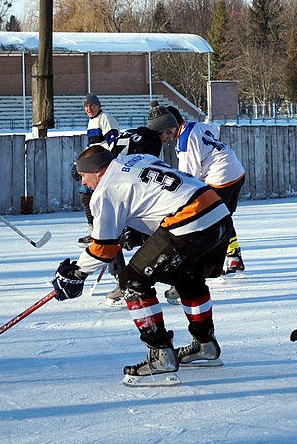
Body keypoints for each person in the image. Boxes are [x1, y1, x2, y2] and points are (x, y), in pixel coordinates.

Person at [52, 146, 232, 386]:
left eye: (83, 176)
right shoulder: (139, 158)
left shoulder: (106, 190)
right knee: (187, 277)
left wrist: (77, 272)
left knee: (132, 280)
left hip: (188, 220)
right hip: (218, 213)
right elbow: (155, 195)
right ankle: (205, 344)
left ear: (96, 171)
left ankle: (161, 356)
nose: (84, 182)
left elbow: (103, 248)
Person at [99, 102, 181, 307]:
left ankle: (121, 279)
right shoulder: (152, 140)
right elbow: (142, 173)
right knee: (156, 241)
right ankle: (177, 282)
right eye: (169, 132)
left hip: (112, 188)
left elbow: (105, 150)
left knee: (110, 237)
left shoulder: (133, 133)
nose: (170, 138)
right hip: (127, 194)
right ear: (160, 128)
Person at [165, 104, 246, 282]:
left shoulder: (185, 141)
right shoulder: (196, 125)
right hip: (236, 170)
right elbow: (214, 131)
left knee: (211, 220)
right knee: (223, 217)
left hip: (221, 177)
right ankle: (233, 257)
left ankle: (214, 261)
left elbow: (189, 177)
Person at [75, 93, 120, 248]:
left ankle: (103, 230)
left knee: (96, 197)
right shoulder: (92, 122)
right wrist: (81, 166)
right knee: (86, 196)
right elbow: (92, 148)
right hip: (94, 165)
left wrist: (109, 164)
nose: (89, 108)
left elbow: (113, 143)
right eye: (86, 106)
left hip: (102, 165)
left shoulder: (105, 118)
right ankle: (94, 229)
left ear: (99, 106)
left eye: (92, 105)